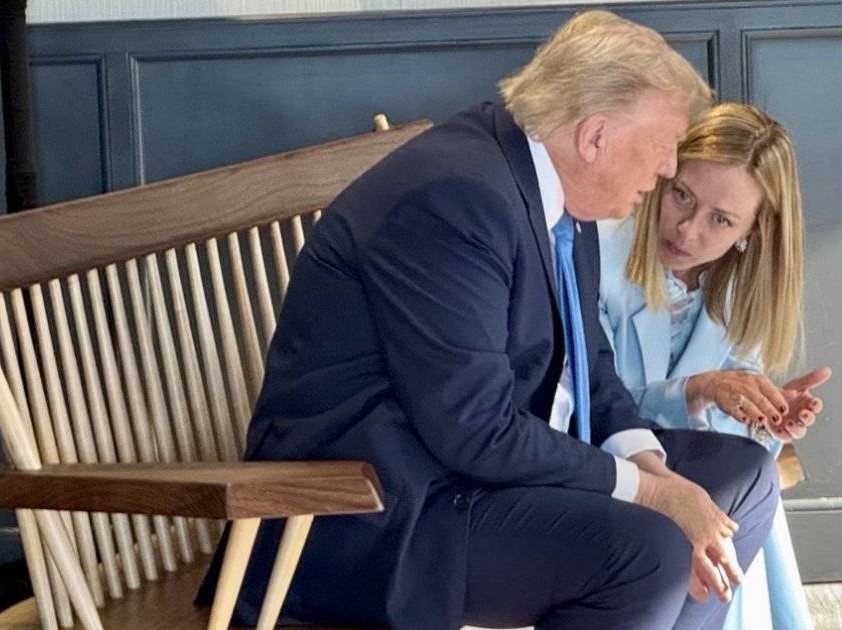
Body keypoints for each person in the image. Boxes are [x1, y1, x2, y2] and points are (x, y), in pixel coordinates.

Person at [198, 11, 780, 630]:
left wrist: (652, 468)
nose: (667, 167)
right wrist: (654, 494)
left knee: (743, 475)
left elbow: (591, 362)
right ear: (595, 136)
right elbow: (475, 428)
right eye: (663, 144)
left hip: (474, 473)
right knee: (646, 551)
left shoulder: (556, 189)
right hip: (382, 511)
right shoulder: (454, 198)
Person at [597, 102, 833, 629]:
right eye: (682, 194)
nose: (687, 229)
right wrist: (696, 391)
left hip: (701, 482)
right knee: (730, 506)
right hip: (607, 470)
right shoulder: (601, 257)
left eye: (720, 220)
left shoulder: (742, 288)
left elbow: (725, 439)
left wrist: (764, 417)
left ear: (751, 231)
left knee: (742, 491)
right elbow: (593, 409)